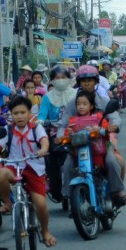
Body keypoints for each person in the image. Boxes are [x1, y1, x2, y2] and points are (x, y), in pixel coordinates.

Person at [59, 65, 126, 206]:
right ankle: (68, 196)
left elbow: (115, 117)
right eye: (83, 81)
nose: (86, 83)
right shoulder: (72, 104)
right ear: (78, 83)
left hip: (101, 143)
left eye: (90, 80)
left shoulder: (103, 101)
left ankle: (117, 192)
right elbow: (63, 125)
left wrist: (113, 126)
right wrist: (60, 136)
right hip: (78, 144)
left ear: (96, 81)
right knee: (67, 165)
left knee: (111, 161)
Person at [0, 96, 56, 247]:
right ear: (11, 115)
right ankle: (8, 203)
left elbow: (44, 140)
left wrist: (43, 149)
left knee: (40, 204)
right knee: (0, 174)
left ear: (29, 113)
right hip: (14, 166)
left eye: (22, 112)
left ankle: (45, 232)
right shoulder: (7, 130)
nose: (19, 116)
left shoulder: (36, 128)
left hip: (34, 167)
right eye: (15, 113)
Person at [38, 65, 77, 202]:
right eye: (57, 78)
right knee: (50, 161)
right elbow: (42, 114)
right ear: (52, 80)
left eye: (63, 77)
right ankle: (56, 189)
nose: (60, 80)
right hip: (53, 132)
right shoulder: (47, 97)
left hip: (73, 131)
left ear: (69, 78)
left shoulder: (76, 94)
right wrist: (40, 121)